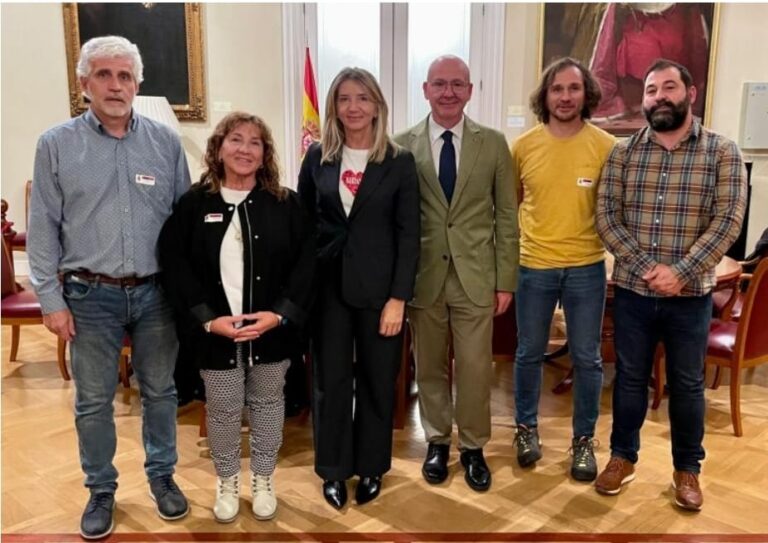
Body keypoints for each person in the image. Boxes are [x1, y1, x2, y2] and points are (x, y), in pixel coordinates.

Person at [27, 36, 190, 539]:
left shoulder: (165, 143)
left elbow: (184, 226)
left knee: (161, 392)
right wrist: (50, 302)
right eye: (104, 75)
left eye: (125, 76)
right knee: (94, 400)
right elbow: (42, 228)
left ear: (138, 84)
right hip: (88, 294)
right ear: (84, 84)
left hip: (156, 294)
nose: (115, 85)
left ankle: (162, 477)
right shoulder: (56, 144)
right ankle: (101, 489)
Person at [595, 58, 747, 511]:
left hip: (691, 296)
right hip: (633, 293)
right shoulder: (622, 153)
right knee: (629, 380)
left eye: (668, 88)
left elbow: (728, 222)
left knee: (686, 384)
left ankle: (687, 469)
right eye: (650, 90)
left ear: (690, 93)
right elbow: (607, 217)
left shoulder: (722, 151)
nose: (659, 97)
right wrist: (647, 268)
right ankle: (622, 457)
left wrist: (679, 271)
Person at [159, 112, 315, 522]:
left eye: (255, 143)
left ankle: (264, 478)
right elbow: (175, 264)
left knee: (267, 404)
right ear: (219, 147)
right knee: (224, 407)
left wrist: (280, 315)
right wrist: (207, 320)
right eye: (236, 140)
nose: (245, 149)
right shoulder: (195, 204)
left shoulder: (285, 203)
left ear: (265, 155)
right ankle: (226, 480)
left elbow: (307, 265)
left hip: (272, 332)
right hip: (215, 335)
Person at [394, 55, 519, 492]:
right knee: (428, 367)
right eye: (440, 84)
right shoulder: (401, 144)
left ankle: (473, 446)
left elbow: (506, 215)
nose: (448, 92)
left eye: (457, 84)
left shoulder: (494, 144)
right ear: (425, 90)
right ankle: (437, 441)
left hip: (476, 278)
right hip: (423, 278)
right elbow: (395, 221)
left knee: (473, 368)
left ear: (470, 90)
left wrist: (506, 280)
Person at [298, 68, 420, 509]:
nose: (353, 107)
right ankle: (333, 470)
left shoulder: (399, 161)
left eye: (363, 98)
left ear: (377, 106)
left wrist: (398, 299)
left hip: (380, 294)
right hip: (327, 292)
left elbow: (409, 235)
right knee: (330, 383)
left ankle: (371, 467)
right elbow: (304, 225)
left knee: (376, 381)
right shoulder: (317, 158)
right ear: (333, 106)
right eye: (345, 98)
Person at [511, 57, 616, 481]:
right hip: (534, 266)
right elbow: (513, 203)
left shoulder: (607, 146)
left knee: (588, 359)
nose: (565, 96)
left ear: (586, 94)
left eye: (573, 88)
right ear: (546, 96)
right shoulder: (522, 146)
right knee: (527, 353)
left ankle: (584, 441)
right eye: (557, 89)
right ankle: (525, 430)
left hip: (587, 269)